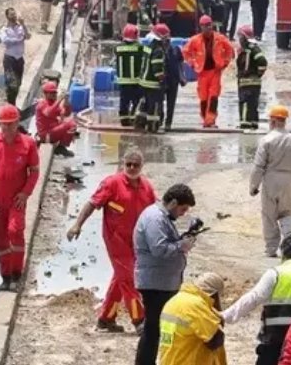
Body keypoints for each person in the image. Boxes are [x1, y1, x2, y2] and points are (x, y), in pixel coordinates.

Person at [67, 148, 157, 333]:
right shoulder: (112, 183)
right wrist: (77, 225)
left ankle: (106, 318)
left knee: (120, 279)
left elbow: (156, 213)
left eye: (136, 165)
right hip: (115, 240)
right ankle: (139, 320)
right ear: (123, 164)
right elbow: (92, 204)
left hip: (137, 243)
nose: (132, 168)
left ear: (142, 166)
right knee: (130, 279)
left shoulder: (147, 188)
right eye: (128, 164)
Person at [222, 235, 291, 365]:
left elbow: (253, 298)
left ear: (283, 254)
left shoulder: (275, 273)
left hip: (275, 343)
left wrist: (225, 317)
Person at [0, 104, 40, 291]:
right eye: (3, 125)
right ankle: (5, 276)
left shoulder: (28, 143)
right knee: (1, 238)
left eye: (11, 124)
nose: (7, 128)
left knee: (15, 232)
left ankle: (16, 273)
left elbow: (35, 172)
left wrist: (25, 193)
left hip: (16, 200)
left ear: (17, 123)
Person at [134, 183, 198, 365]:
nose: (183, 213)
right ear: (174, 202)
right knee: (153, 329)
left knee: (157, 329)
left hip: (163, 282)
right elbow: (159, 249)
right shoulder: (155, 218)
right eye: (183, 209)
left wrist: (182, 240)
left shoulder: (162, 217)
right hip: (155, 284)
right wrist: (181, 245)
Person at [251, 105, 291, 256]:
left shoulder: (267, 140)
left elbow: (258, 166)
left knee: (269, 215)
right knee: (287, 213)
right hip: (289, 180)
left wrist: (254, 186)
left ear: (273, 121)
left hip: (271, 180)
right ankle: (290, 246)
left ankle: (271, 249)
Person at [157, 272, 227, 365]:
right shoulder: (196, 305)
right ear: (214, 294)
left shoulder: (174, 301)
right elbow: (215, 339)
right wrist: (216, 315)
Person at [182, 15, 234, 128]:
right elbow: (185, 51)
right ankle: (205, 118)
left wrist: (225, 62)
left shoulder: (220, 38)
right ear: (201, 27)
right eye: (204, 26)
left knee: (214, 96)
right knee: (203, 97)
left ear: (212, 25)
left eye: (209, 25)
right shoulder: (195, 40)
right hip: (202, 73)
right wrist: (192, 63)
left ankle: (210, 120)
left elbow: (230, 49)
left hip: (215, 71)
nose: (207, 28)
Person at [135, 24, 169, 132]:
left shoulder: (148, 46)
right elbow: (157, 69)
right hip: (153, 84)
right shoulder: (158, 50)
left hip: (143, 82)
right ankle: (152, 126)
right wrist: (162, 78)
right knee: (153, 107)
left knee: (144, 105)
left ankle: (140, 124)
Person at [236, 25, 268, 130]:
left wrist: (258, 73)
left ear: (245, 37)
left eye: (240, 36)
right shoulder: (246, 49)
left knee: (245, 103)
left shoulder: (251, 49)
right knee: (253, 105)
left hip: (248, 83)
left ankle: (245, 124)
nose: (239, 39)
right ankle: (253, 124)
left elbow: (262, 61)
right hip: (251, 83)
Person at [116, 23, 147, 127]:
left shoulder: (118, 48)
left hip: (122, 80)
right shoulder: (140, 48)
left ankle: (124, 120)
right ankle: (134, 119)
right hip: (135, 80)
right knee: (136, 101)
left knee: (124, 101)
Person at [35, 81, 77, 157]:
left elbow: (65, 113)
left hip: (52, 130)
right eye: (52, 93)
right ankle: (59, 148)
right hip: (46, 134)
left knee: (71, 124)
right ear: (46, 94)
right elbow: (48, 112)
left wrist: (66, 102)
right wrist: (58, 100)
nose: (54, 95)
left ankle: (62, 146)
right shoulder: (42, 103)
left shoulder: (53, 103)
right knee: (68, 125)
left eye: (55, 93)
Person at [0, 7, 29, 105]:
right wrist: (19, 40)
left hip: (19, 59)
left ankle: (13, 102)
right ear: (7, 16)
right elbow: (6, 41)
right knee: (11, 83)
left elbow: (28, 36)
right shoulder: (4, 29)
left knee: (18, 83)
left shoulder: (20, 27)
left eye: (14, 14)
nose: (14, 16)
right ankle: (10, 104)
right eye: (11, 14)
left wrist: (24, 24)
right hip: (10, 59)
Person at [162, 28, 187, 131]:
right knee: (159, 102)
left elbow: (180, 64)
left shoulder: (176, 50)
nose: (166, 39)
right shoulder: (158, 50)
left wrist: (182, 77)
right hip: (161, 80)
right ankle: (160, 119)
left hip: (173, 80)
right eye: (164, 37)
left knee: (171, 103)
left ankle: (168, 123)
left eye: (168, 36)